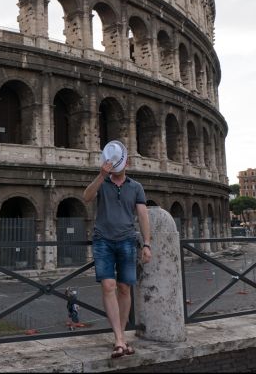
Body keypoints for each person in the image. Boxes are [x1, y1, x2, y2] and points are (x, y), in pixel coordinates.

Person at [82, 140, 151, 359]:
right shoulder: (102, 183)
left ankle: (120, 337)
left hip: (127, 240)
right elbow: (86, 197)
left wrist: (147, 244)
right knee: (108, 286)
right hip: (103, 240)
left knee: (124, 288)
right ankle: (120, 339)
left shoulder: (136, 186)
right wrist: (101, 175)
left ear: (127, 163)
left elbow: (143, 215)